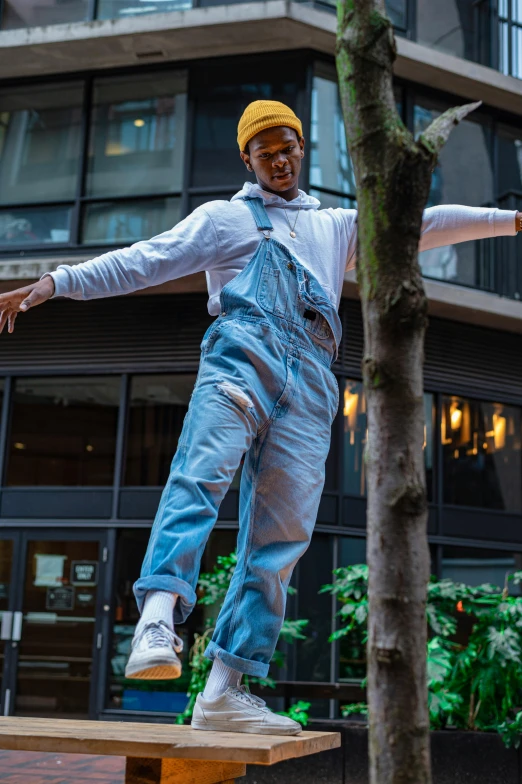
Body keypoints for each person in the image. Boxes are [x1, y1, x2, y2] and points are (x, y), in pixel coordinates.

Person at [1, 100, 520, 735]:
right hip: (242, 359)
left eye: (289, 146)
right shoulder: (224, 219)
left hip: (312, 384)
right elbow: (143, 259)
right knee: (200, 478)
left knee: (282, 539)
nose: (280, 158)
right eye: (265, 149)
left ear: (302, 149)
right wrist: (54, 282)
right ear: (247, 157)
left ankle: (225, 687)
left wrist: (512, 220)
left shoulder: (336, 226)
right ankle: (158, 620)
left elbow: (422, 222)